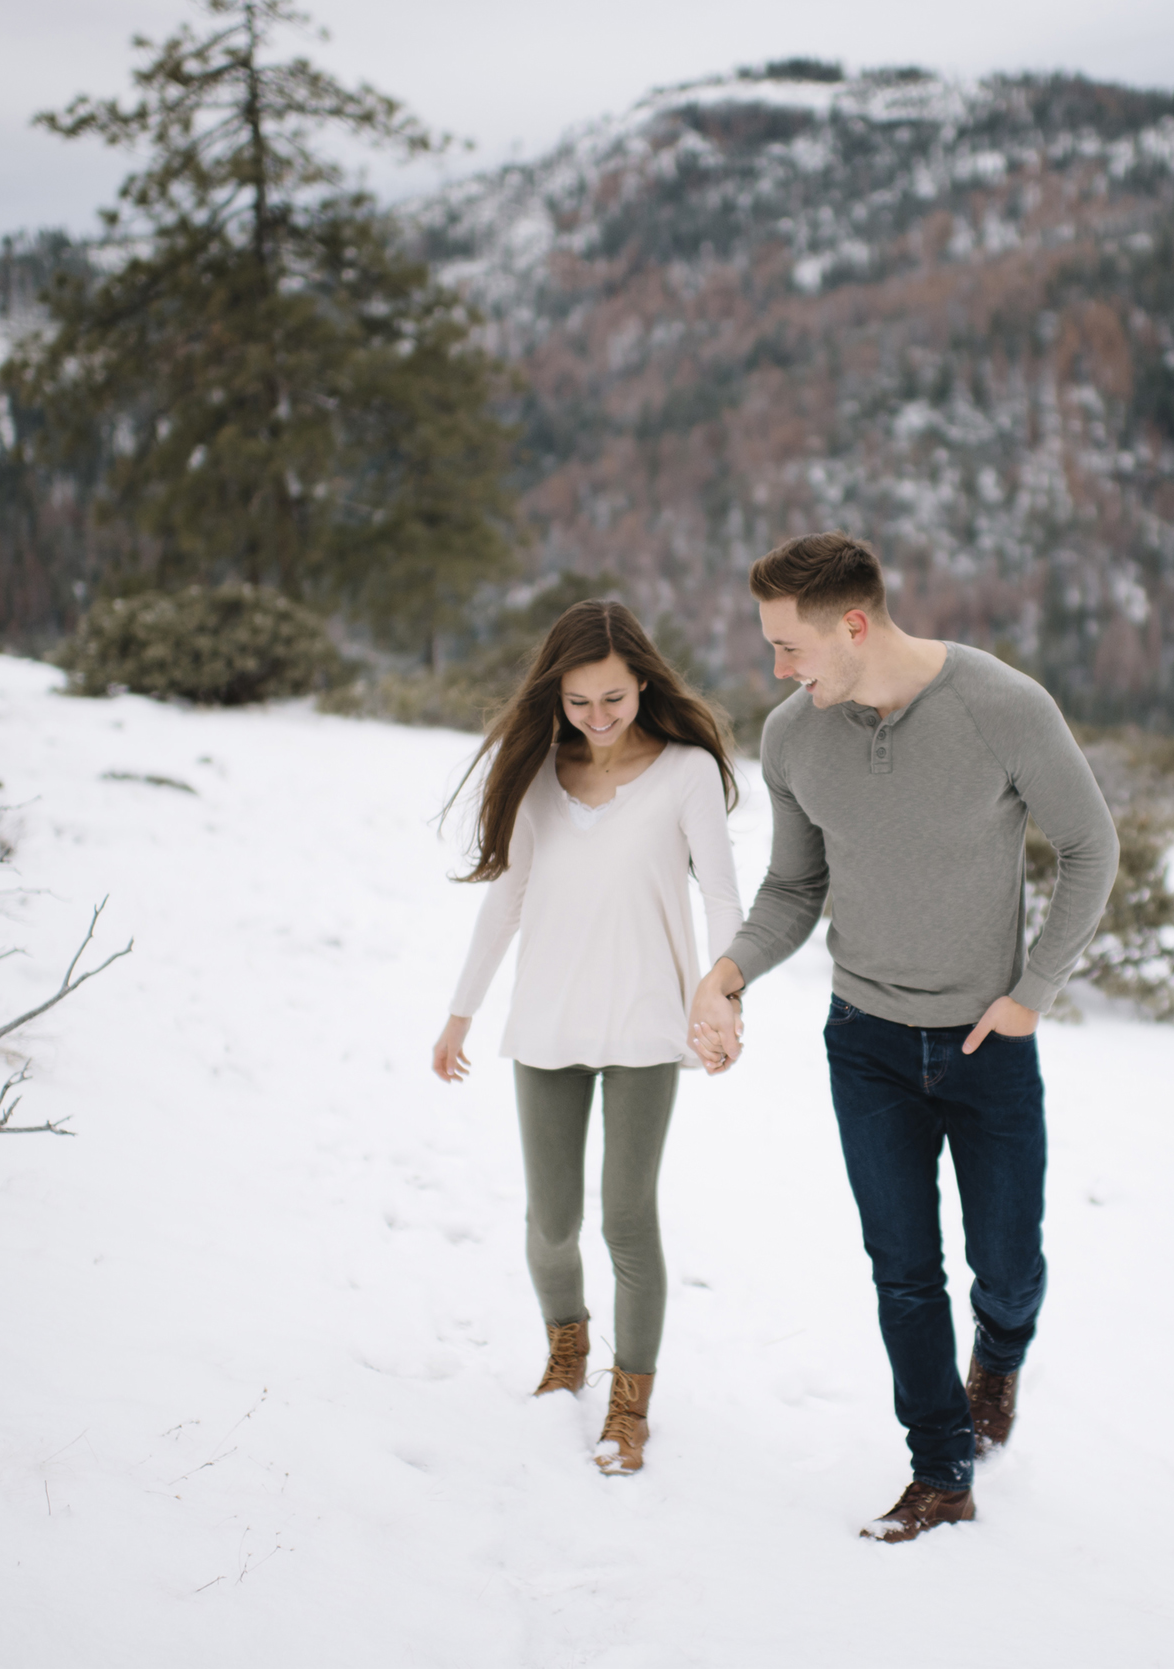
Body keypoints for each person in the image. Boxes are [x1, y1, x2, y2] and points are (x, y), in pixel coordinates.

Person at [688, 532, 1118, 1543]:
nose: (778, 670)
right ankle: (941, 1469)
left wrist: (1032, 991)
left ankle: (999, 1357)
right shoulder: (793, 736)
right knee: (902, 1268)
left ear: (853, 623)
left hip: (986, 1045)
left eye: (789, 647)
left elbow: (1090, 845)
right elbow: (795, 887)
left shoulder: (1001, 706)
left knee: (1005, 1267)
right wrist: (729, 970)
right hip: (866, 1043)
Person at [434, 599, 742, 1476]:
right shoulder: (535, 773)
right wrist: (461, 1010)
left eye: (613, 698)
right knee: (551, 1221)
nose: (598, 718)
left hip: (650, 1022)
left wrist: (724, 994)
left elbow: (722, 896)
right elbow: (508, 895)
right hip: (547, 1021)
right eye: (579, 702)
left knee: (626, 1218)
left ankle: (630, 1399)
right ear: (555, 696)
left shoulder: (683, 773)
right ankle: (566, 1347)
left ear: (642, 680)